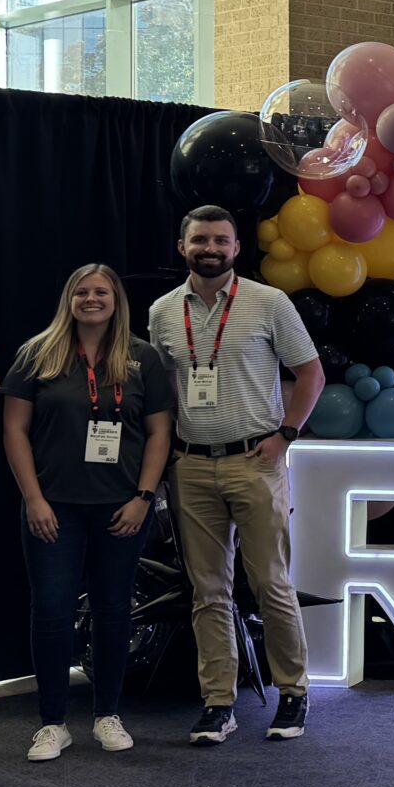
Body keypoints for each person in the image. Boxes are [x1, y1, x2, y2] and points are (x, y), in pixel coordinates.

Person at [146, 205, 324, 746]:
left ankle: (292, 692)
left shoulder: (269, 303)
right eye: (200, 239)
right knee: (208, 592)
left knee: (270, 583)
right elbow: (167, 385)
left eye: (221, 240)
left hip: (256, 461)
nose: (211, 248)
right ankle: (217, 702)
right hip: (193, 465)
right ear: (183, 247)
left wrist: (286, 434)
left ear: (236, 247)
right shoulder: (160, 311)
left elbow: (310, 373)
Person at [2, 265, 175, 762]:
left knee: (113, 610)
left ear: (117, 300)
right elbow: (14, 430)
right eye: (82, 291)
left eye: (101, 291)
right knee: (52, 611)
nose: (91, 298)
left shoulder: (142, 357)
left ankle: (107, 714)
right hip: (52, 507)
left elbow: (160, 432)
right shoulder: (38, 354)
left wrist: (144, 498)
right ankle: (53, 723)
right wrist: (33, 498)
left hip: (122, 508)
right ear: (68, 299)